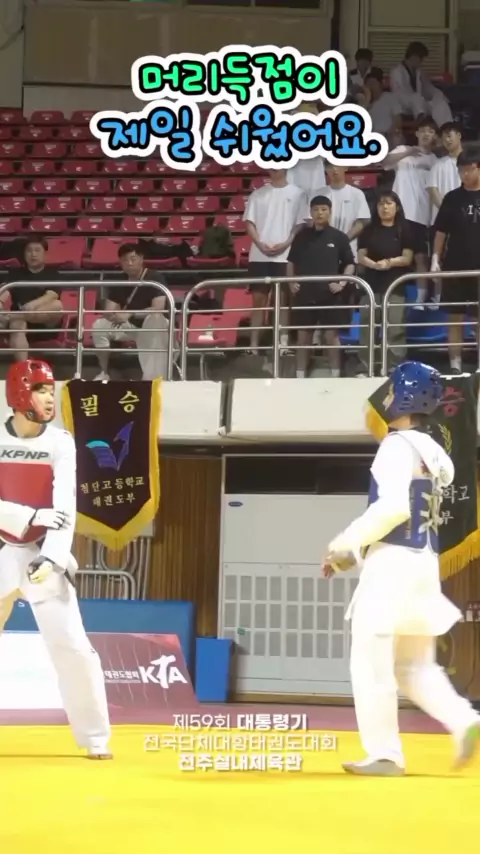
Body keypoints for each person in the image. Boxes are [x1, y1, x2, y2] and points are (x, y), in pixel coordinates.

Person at [323, 361, 480, 776]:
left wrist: (343, 544)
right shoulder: (435, 453)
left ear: (406, 397)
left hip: (391, 566)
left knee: (370, 662)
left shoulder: (396, 446)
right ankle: (465, 720)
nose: (386, 397)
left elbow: (393, 508)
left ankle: (384, 754)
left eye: (392, 390)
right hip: (423, 564)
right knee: (415, 666)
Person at [0, 359, 112, 759]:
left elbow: (65, 506)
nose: (50, 398)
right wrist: (29, 516)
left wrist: (52, 557)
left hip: (42, 555)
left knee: (73, 647)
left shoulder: (61, 443)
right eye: (41, 390)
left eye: (51, 390)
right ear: (19, 393)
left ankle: (95, 737)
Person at [287, 195, 355, 378]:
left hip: (329, 295)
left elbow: (350, 264)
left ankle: (336, 375)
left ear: (330, 212)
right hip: (305, 294)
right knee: (303, 338)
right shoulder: (301, 237)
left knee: (331, 337)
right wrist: (291, 282)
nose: (320, 213)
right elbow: (291, 262)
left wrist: (342, 283)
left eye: (324, 209)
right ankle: (300, 376)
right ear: (311, 212)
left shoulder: (339, 237)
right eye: (316, 209)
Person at [243, 169, 306, 354]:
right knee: (258, 301)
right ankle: (253, 346)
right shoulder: (258, 194)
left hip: (285, 255)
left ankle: (283, 344)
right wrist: (260, 244)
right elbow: (249, 222)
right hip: (259, 256)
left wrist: (286, 243)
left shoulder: (298, 193)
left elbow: (300, 224)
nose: (274, 168)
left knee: (282, 301)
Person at [431, 148, 480, 374]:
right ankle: (455, 365)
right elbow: (441, 232)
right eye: (461, 171)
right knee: (455, 317)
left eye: (469, 169)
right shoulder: (452, 198)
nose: (464, 175)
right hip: (456, 266)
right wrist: (435, 259)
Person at [91, 243, 169, 381]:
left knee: (155, 319)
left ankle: (153, 378)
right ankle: (104, 371)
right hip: (129, 325)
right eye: (125, 260)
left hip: (152, 325)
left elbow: (158, 308)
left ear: (141, 259)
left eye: (133, 259)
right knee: (99, 325)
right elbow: (109, 309)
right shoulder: (119, 280)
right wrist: (112, 316)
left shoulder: (155, 278)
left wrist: (130, 313)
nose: (129, 263)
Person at [356, 191, 414, 375]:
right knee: (367, 328)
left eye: (389, 203)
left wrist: (389, 262)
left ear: (397, 207)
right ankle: (365, 367)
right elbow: (361, 255)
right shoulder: (368, 230)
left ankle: (393, 367)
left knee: (394, 328)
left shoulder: (404, 229)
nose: (385, 207)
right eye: (381, 204)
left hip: (395, 285)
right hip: (370, 285)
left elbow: (407, 258)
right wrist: (373, 264)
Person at [383, 118, 438, 305]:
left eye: (431, 131)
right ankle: (390, 298)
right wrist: (409, 152)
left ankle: (421, 300)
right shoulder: (402, 150)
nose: (426, 134)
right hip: (398, 215)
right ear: (417, 133)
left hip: (422, 217)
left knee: (421, 258)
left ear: (434, 136)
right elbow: (384, 162)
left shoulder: (435, 160)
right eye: (423, 130)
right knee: (393, 256)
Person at [2, 236, 63, 361]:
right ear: (24, 254)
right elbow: (4, 292)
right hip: (21, 324)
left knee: (57, 305)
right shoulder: (15, 273)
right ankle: (24, 367)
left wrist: (32, 305)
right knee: (17, 325)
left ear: (45, 254)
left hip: (44, 323)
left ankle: (14, 316)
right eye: (29, 250)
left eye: (37, 250)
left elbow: (51, 295)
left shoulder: (53, 273)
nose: (33, 254)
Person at [311, 164, 371, 262]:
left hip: (348, 250)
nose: (334, 169)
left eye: (337, 165)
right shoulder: (318, 193)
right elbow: (311, 222)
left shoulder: (356, 194)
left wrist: (342, 241)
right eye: (330, 166)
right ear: (325, 169)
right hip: (321, 251)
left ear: (345, 167)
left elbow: (361, 222)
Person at [390, 42, 453, 129]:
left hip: (420, 103)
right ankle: (420, 121)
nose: (421, 62)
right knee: (417, 98)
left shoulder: (419, 72)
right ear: (414, 56)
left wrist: (438, 95)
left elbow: (428, 89)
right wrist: (417, 98)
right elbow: (399, 93)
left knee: (440, 103)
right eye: (421, 59)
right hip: (404, 106)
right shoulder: (397, 72)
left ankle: (446, 129)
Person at [364, 68, 402, 142]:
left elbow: (398, 120)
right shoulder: (362, 101)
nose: (371, 87)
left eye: (374, 83)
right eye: (369, 84)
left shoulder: (390, 97)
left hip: (388, 135)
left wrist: (389, 133)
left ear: (380, 84)